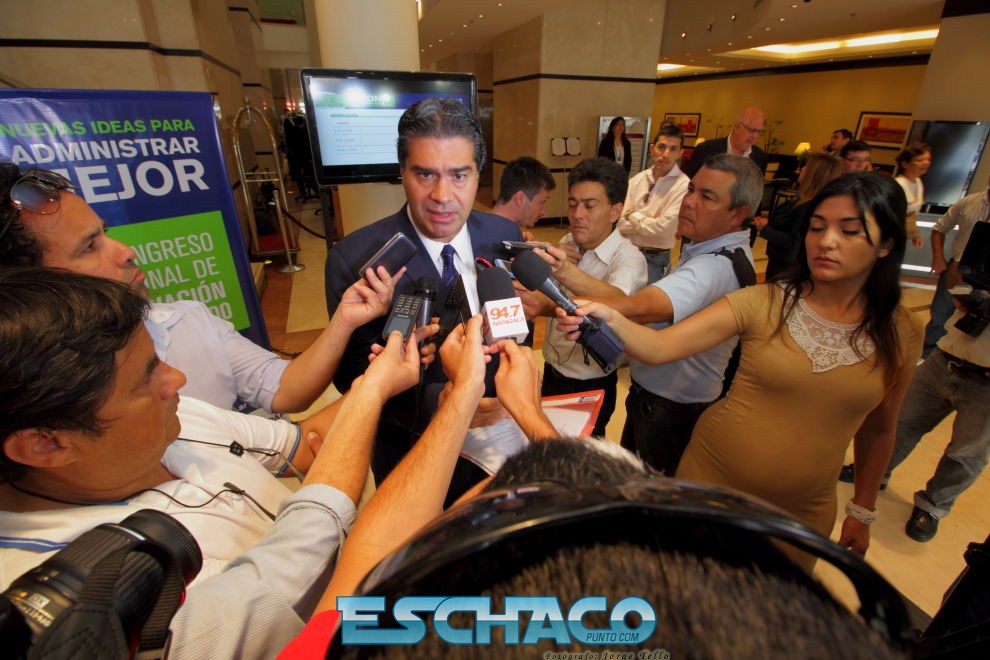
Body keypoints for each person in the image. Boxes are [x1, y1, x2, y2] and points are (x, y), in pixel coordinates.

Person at [0, 267, 431, 657]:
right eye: (145, 378)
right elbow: (302, 555)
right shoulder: (82, 617)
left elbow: (305, 444)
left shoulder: (177, 415)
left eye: (158, 360)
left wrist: (379, 377)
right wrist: (390, 394)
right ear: (44, 444)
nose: (177, 379)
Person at [557, 173, 923, 569]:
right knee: (687, 578)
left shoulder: (902, 331)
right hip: (713, 477)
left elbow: (880, 428)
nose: (827, 241)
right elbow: (661, 346)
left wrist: (862, 510)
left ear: (886, 244)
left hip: (802, 507)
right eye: (817, 227)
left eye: (849, 231)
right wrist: (609, 316)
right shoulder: (764, 301)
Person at [0, 163, 383, 416]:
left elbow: (285, 391)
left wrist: (345, 322)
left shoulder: (188, 320)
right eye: (89, 247)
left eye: (106, 232)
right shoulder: (49, 407)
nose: (126, 252)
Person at [323, 98, 523, 487]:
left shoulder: (504, 235)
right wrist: (441, 402)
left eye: (459, 175)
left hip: (498, 441)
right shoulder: (354, 258)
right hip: (411, 450)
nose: (442, 195)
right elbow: (351, 378)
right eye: (425, 174)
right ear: (402, 173)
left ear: (478, 174)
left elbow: (514, 321)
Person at [551, 154, 761, 474]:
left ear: (738, 214)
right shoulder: (706, 250)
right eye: (691, 190)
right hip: (657, 401)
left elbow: (640, 308)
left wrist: (557, 287)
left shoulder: (714, 267)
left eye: (707, 197)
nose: (688, 202)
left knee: (645, 490)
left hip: (671, 409)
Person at [845, 300, 990, 543]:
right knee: (898, 421)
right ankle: (875, 473)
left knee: (966, 453)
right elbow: (954, 287)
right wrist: (971, 291)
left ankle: (933, 505)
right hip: (945, 359)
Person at [520, 157, 647, 436]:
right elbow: (551, 295)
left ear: (615, 211)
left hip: (591, 384)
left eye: (589, 206)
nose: (577, 214)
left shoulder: (629, 259)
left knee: (580, 457)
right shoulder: (568, 243)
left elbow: (619, 304)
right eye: (573, 203)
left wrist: (564, 273)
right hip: (552, 371)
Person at [921, 175, 990, 357]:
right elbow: (940, 228)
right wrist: (938, 257)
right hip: (956, 271)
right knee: (940, 316)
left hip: (984, 278)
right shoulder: (969, 202)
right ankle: (927, 356)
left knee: (973, 322)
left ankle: (954, 359)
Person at [618, 124, 690, 282]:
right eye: (661, 147)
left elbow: (664, 228)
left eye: (673, 149)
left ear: (680, 153)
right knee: (620, 295)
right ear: (652, 149)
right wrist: (648, 220)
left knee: (647, 299)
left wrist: (633, 216)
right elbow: (621, 224)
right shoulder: (637, 180)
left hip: (655, 260)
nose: (666, 154)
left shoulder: (683, 185)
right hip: (627, 253)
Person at [753, 153, 843, 278]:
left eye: (807, 166)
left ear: (814, 174)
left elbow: (795, 243)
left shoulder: (809, 207)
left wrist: (764, 229)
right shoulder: (803, 199)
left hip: (786, 266)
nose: (802, 169)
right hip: (780, 262)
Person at [684, 107, 768, 178]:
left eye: (758, 132)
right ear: (737, 127)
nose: (755, 136)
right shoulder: (705, 149)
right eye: (752, 130)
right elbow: (688, 183)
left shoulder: (760, 157)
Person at [490, 156, 555, 240]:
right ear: (520, 199)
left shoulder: (481, 228)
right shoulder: (498, 240)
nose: (544, 212)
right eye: (542, 202)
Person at [895, 142, 932, 249]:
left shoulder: (918, 181)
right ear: (905, 164)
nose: (926, 163)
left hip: (901, 235)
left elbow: (912, 215)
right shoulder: (899, 184)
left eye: (928, 159)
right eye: (919, 160)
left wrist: (915, 233)